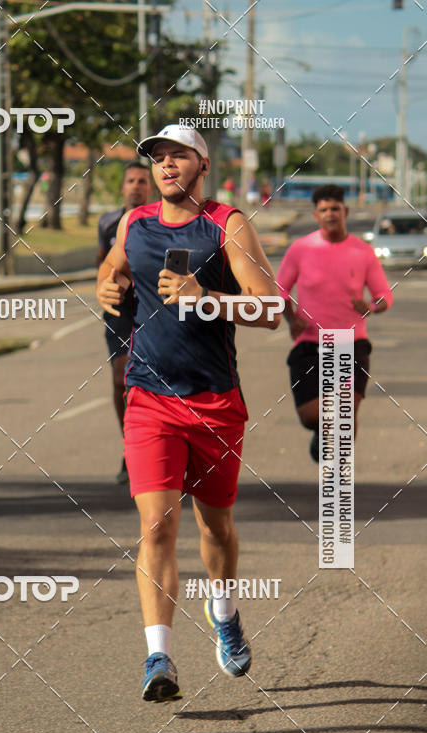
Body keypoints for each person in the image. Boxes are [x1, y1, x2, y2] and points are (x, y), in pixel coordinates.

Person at [96, 124, 282, 702]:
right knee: (157, 525)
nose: (166, 165)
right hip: (149, 398)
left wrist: (208, 297)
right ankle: (159, 658)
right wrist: (107, 287)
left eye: (179, 155)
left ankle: (223, 612)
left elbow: (271, 308)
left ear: (202, 165)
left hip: (214, 402)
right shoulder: (136, 222)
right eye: (157, 157)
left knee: (215, 527)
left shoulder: (227, 225)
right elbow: (112, 271)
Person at [277, 184, 393, 462]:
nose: (330, 214)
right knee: (310, 416)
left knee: (346, 413)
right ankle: (322, 431)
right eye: (324, 210)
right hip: (309, 344)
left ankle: (338, 476)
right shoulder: (300, 249)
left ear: (345, 211)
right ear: (316, 215)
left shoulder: (363, 252)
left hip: (351, 344)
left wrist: (371, 306)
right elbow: (280, 291)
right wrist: (291, 319)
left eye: (335, 209)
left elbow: (384, 295)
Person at [97, 162, 153, 483]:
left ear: (150, 187)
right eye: (130, 180)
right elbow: (102, 263)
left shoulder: (160, 222)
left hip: (153, 309)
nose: (135, 186)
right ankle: (129, 448)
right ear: (123, 187)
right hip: (120, 311)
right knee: (121, 378)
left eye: (142, 181)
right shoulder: (108, 223)